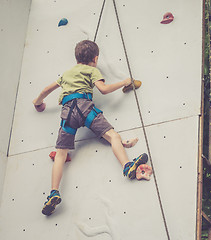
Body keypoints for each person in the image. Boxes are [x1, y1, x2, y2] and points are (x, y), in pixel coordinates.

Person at [33, 40, 148, 216]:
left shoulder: (66, 73)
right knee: (113, 136)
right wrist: (125, 81)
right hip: (85, 109)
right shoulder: (92, 70)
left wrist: (38, 102)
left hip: (67, 113)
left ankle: (54, 192)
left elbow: (47, 89)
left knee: (61, 154)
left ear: (76, 57)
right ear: (95, 58)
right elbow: (104, 89)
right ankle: (127, 166)